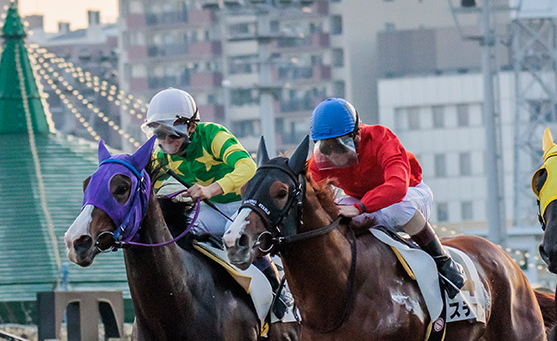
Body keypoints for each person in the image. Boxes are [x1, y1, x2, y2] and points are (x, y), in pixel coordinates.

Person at [144, 88, 288, 318]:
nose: (167, 142)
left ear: (191, 126)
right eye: (161, 135)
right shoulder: (161, 156)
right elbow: (146, 188)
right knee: (176, 229)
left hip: (242, 208)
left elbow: (247, 168)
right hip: (211, 211)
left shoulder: (213, 134)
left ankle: (276, 287)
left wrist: (210, 189)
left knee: (239, 237)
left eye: (173, 134)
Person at [306, 97, 465, 297]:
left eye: (339, 146)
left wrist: (362, 207)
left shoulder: (381, 138)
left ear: (355, 135)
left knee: (397, 208)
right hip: (363, 202)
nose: (333, 156)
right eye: (326, 148)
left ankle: (443, 262)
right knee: (336, 212)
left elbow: (397, 186)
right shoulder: (318, 162)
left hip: (410, 195)